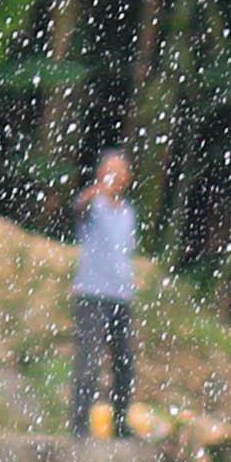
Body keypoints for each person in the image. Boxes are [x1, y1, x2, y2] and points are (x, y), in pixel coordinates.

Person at [71, 149, 141, 434]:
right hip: (91, 293)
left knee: (124, 364)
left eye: (121, 172)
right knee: (88, 361)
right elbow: (78, 208)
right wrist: (94, 193)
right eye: (110, 171)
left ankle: (120, 423)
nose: (116, 177)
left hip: (120, 296)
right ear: (100, 174)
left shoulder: (128, 212)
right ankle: (79, 425)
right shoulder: (93, 205)